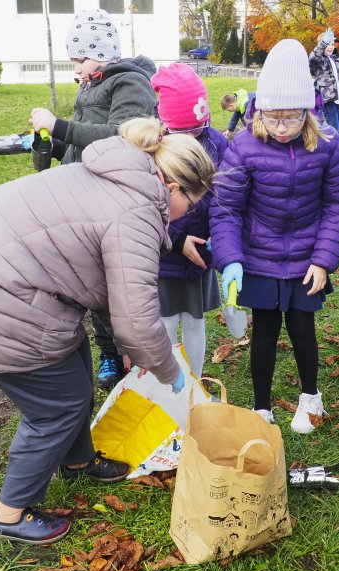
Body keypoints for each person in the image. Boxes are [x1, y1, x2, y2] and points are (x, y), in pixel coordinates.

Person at [0, 118, 216, 545]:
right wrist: (168, 371)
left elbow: (110, 286)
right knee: (55, 405)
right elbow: (140, 322)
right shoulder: (138, 210)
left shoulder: (121, 173)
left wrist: (130, 346)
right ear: (172, 187)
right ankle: (9, 514)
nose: (188, 214)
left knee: (74, 367)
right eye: (192, 203)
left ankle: (76, 461)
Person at [210, 39, 339, 433]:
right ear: (259, 111)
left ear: (307, 113)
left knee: (302, 328)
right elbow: (226, 208)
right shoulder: (242, 148)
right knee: (265, 331)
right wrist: (231, 260)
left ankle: (311, 396)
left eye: (291, 119)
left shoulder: (329, 145)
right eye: (273, 118)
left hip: (308, 257)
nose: (281, 127)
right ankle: (262, 407)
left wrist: (324, 260)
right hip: (259, 255)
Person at [29, 8, 158, 391]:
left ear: (101, 50)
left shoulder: (131, 84)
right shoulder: (91, 83)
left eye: (80, 60)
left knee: (108, 286)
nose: (77, 70)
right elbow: (80, 141)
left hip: (110, 198)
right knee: (86, 281)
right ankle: (109, 352)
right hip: (78, 194)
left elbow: (124, 136)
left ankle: (133, 353)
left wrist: (60, 125)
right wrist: (50, 143)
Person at [150, 63, 226, 377]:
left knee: (195, 321)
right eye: (185, 133)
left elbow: (226, 195)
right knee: (165, 322)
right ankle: (167, 381)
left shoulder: (218, 143)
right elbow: (146, 209)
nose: (193, 140)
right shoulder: (152, 152)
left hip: (200, 257)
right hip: (165, 259)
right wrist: (176, 239)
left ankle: (194, 378)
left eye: (199, 130)